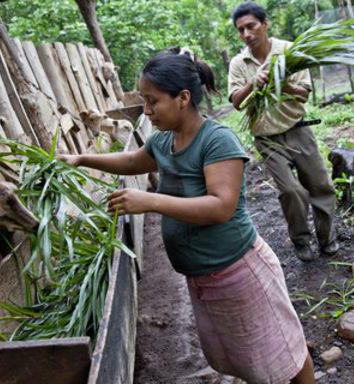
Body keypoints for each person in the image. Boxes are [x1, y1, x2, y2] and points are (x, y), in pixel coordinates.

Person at [59, 52, 315, 384]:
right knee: (249, 357)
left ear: (183, 98)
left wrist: (150, 201)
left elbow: (221, 207)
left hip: (238, 271)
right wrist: (81, 159)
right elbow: (133, 163)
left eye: (153, 102)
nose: (147, 111)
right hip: (203, 278)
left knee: (285, 351)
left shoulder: (217, 140)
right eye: (144, 101)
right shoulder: (164, 140)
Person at [228, 1, 339, 262]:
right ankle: (301, 240)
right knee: (291, 191)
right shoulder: (239, 63)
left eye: (251, 26)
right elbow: (236, 101)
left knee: (320, 185)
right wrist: (253, 84)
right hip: (267, 138)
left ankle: (327, 237)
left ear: (265, 25)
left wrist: (283, 83)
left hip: (298, 130)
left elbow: (304, 95)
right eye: (240, 30)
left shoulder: (289, 51)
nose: (246, 34)